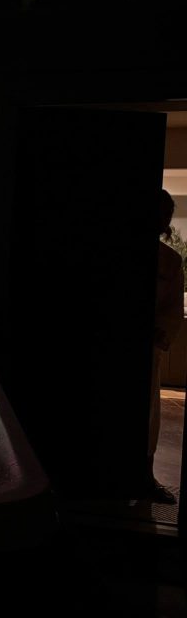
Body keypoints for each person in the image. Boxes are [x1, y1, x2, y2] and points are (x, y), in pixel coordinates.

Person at [147, 189, 184, 503]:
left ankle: (144, 473)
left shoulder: (169, 261)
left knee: (147, 415)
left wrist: (159, 334)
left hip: (147, 350)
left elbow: (172, 310)